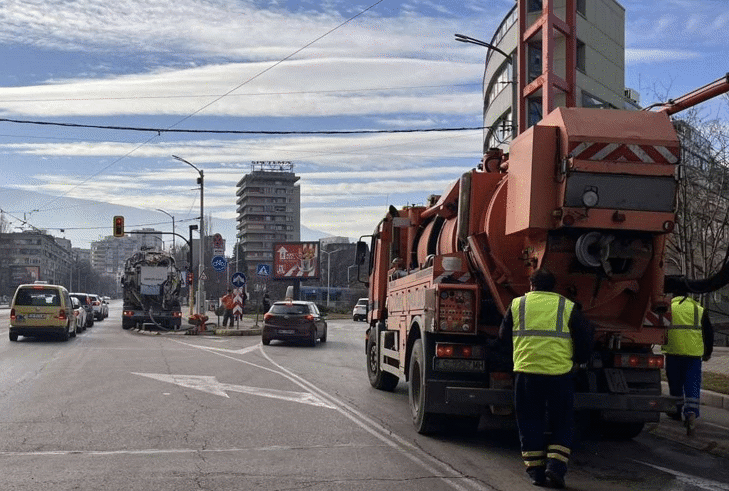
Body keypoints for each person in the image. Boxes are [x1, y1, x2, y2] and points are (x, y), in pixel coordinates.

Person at [499, 268, 593, 488]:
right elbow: (584, 339)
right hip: (559, 374)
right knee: (562, 422)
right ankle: (556, 468)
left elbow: (503, 338)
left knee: (529, 421)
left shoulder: (517, 304)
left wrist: (513, 359)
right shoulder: (566, 306)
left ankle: (536, 473)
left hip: (527, 372)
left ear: (531, 286)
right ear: (553, 287)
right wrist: (579, 360)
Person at [663, 293, 713, 436]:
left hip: (673, 352)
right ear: (689, 294)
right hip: (693, 354)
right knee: (692, 383)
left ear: (674, 295)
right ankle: (691, 412)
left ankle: (676, 411)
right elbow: (708, 333)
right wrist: (708, 352)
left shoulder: (669, 308)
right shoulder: (698, 309)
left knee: (675, 382)